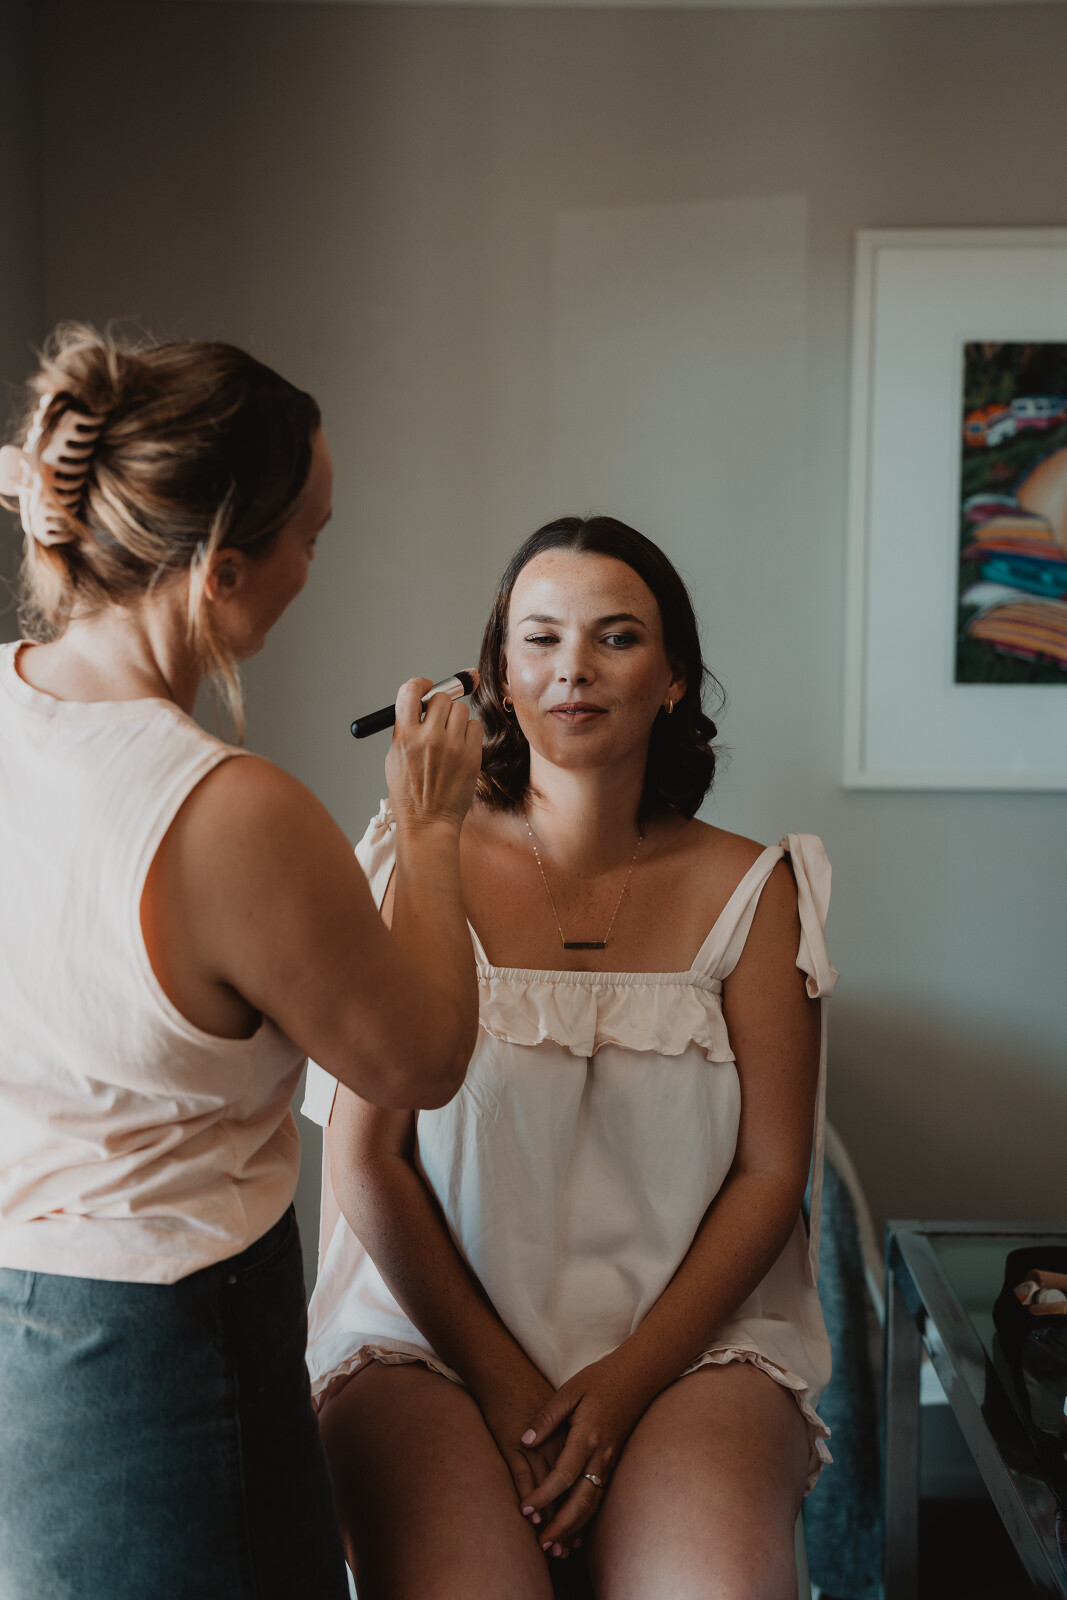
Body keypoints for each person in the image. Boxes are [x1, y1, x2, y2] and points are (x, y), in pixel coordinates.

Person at [0, 326, 483, 1600]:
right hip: (162, 1363)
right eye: (310, 538)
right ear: (220, 572)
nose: (314, 566)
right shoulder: (227, 815)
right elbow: (423, 1057)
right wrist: (430, 830)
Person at [303, 515, 839, 1600]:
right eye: (540, 638)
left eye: (616, 637)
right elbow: (365, 1160)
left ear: (674, 679)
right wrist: (506, 1385)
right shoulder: (416, 858)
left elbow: (771, 1172)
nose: (574, 668)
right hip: (427, 1338)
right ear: (497, 676)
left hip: (691, 1345)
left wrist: (624, 1382)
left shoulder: (758, 891)